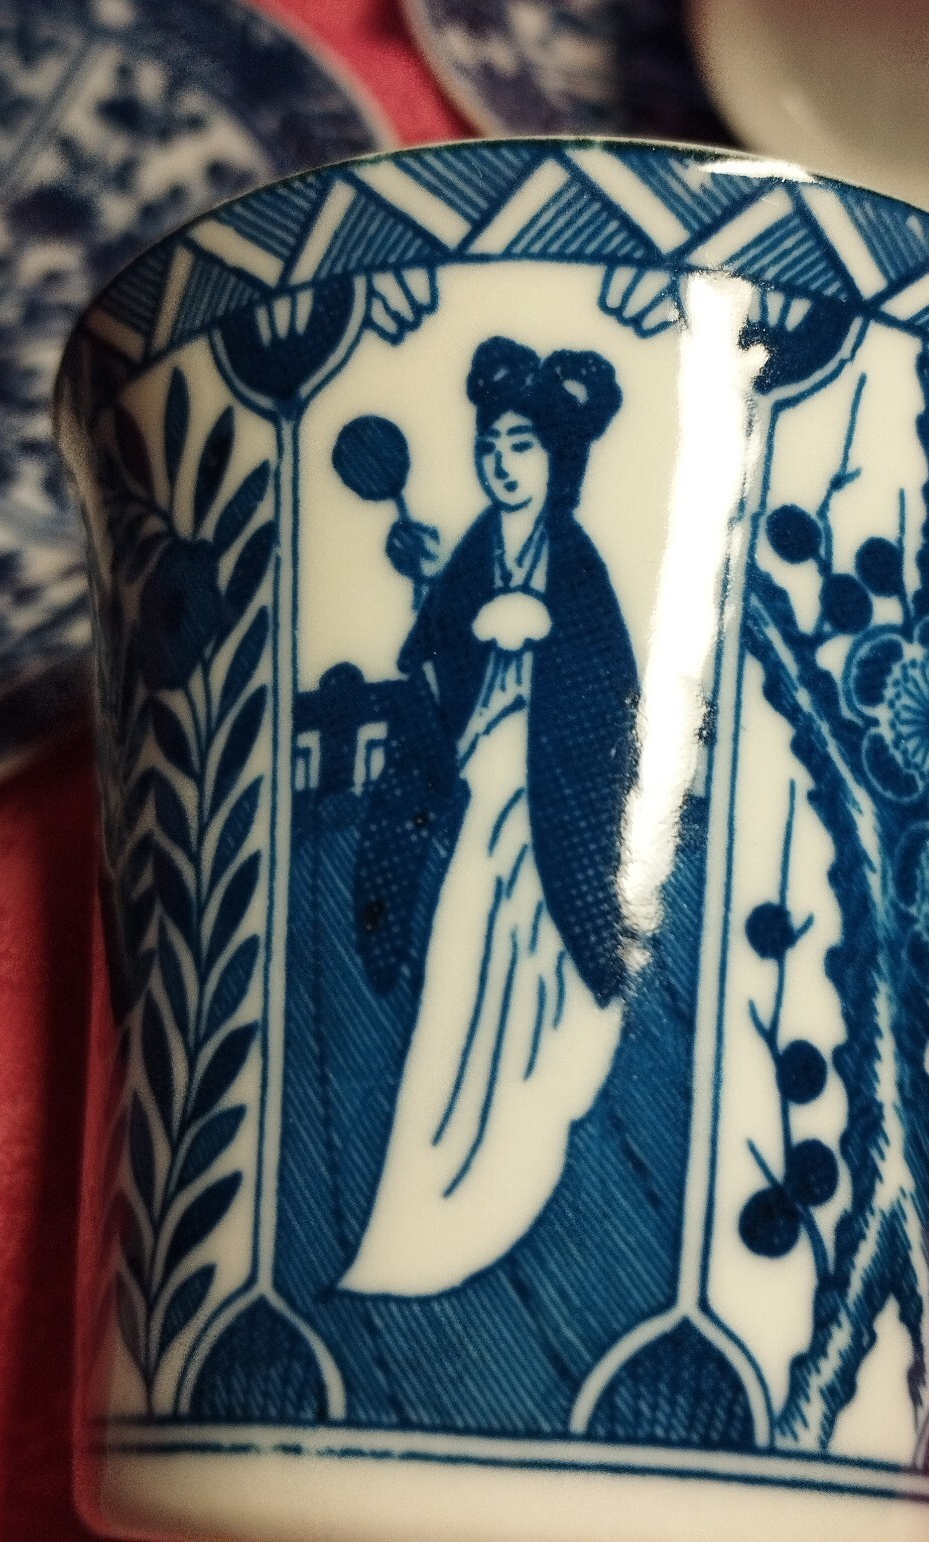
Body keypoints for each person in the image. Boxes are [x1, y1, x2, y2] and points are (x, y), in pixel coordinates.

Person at [342, 336, 639, 1297]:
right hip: (486, 795)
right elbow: (427, 668)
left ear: (559, 459)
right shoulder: (476, 553)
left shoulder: (577, 562)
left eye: (522, 446)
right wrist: (448, 616)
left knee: (542, 974)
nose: (502, 463)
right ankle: (433, 1194)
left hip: (554, 805)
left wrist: (542, 639)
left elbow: (615, 694)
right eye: (491, 445)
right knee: (464, 953)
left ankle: (515, 1131)